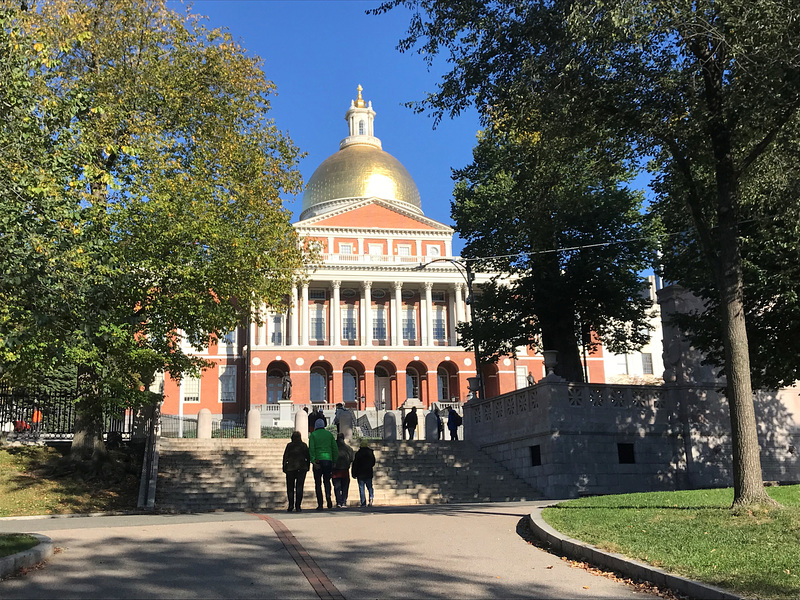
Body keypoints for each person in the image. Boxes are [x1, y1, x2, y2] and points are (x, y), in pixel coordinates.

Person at [309, 418, 338, 510]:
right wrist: (334, 460)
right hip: (328, 460)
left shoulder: (313, 435)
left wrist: (313, 460)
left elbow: (311, 448)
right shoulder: (329, 434)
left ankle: (320, 503)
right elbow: (334, 448)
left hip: (318, 460)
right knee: (327, 481)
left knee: (318, 483)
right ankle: (328, 497)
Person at [282, 431, 310, 512]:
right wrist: (307, 466)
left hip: (290, 468)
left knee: (290, 487)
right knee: (299, 487)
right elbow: (308, 457)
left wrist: (284, 467)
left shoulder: (289, 445)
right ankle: (298, 505)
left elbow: (285, 457)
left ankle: (291, 505)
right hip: (302, 468)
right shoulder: (304, 445)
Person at [351, 438, 376, 507]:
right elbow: (373, 462)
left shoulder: (358, 453)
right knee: (370, 487)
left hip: (360, 473)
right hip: (368, 472)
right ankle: (371, 498)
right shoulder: (370, 452)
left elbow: (355, 464)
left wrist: (354, 473)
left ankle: (363, 502)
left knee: (361, 488)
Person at [332, 432, 354, 508]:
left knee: (337, 487)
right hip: (345, 470)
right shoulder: (348, 448)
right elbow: (352, 458)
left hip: (335, 470)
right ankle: (344, 501)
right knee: (345, 487)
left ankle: (338, 501)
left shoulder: (333, 448)